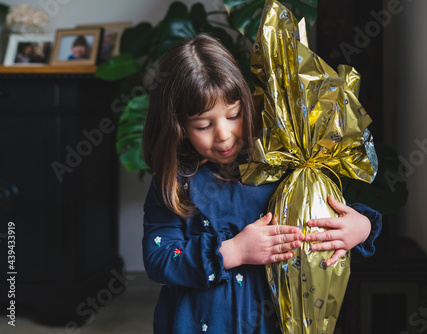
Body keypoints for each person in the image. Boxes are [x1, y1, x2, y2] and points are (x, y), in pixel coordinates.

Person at [142, 34, 382, 334]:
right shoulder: (174, 181)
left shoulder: (279, 160)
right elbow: (159, 258)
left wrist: (362, 227)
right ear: (177, 126)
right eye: (204, 125)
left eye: (234, 115)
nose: (224, 134)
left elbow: (319, 211)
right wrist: (233, 252)